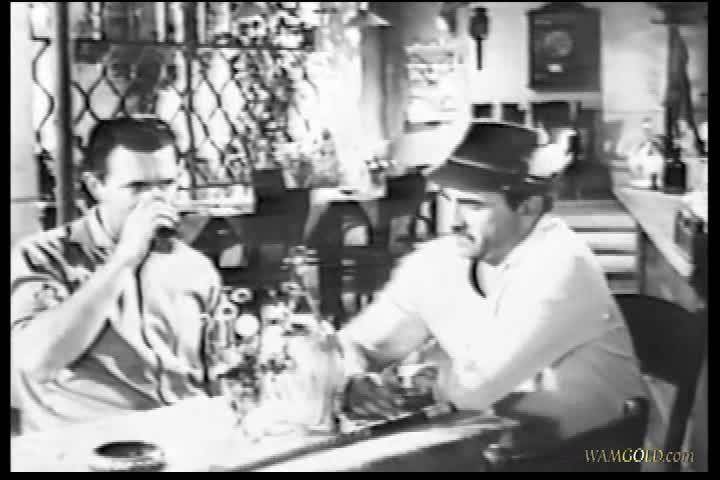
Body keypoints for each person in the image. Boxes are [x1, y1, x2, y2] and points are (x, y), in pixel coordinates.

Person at [337, 121, 648, 440]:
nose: (454, 222)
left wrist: (425, 376)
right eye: (448, 200)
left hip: (589, 453)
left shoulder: (562, 265)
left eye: (472, 205)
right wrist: (353, 380)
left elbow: (473, 391)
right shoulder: (438, 261)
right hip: (495, 443)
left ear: (529, 207)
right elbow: (355, 343)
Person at [10, 117, 223, 433]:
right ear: (96, 186)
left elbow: (216, 375)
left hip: (184, 436)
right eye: (137, 187)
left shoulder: (195, 268)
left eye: (166, 184)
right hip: (88, 444)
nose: (155, 200)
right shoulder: (43, 256)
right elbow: (36, 362)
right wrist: (123, 260)